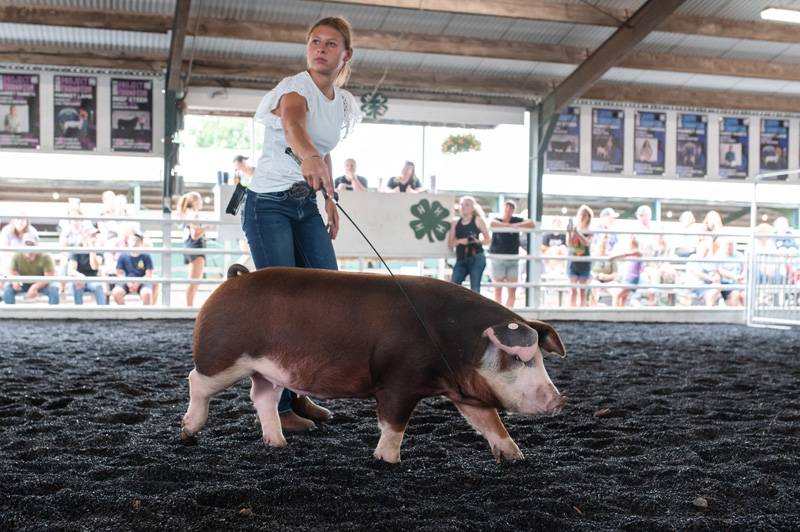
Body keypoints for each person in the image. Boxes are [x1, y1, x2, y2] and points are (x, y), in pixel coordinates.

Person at [242, 16, 361, 432]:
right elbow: (293, 125)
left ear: (345, 54)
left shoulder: (341, 102)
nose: (320, 48)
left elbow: (322, 150)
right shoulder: (295, 89)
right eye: (314, 41)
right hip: (268, 205)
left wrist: (330, 198)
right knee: (285, 305)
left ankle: (300, 392)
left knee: (328, 289)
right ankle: (279, 407)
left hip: (305, 205)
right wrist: (308, 156)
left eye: (331, 44)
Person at [489, 200, 534, 308]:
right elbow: (491, 223)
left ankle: (509, 311)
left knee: (512, 288)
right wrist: (509, 226)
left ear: (513, 210)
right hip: (498, 258)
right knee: (498, 289)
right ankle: (498, 311)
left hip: (513, 258)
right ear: (503, 209)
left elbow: (531, 224)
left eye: (511, 208)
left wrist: (514, 226)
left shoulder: (516, 220)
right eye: (506, 207)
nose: (508, 210)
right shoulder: (497, 220)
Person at [448, 196, 490, 293]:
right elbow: (450, 243)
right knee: (453, 285)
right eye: (462, 205)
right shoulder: (455, 223)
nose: (463, 207)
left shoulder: (478, 220)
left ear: (472, 208)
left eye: (467, 205)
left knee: (475, 288)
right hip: (461, 258)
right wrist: (460, 241)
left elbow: (488, 239)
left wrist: (477, 241)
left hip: (476, 256)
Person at [3, 233, 59, 305]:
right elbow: (12, 272)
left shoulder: (45, 256)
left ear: (36, 245)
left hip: (41, 283)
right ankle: (9, 314)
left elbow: (49, 277)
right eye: (26, 244)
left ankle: (54, 314)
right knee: (8, 288)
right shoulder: (17, 255)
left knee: (54, 289)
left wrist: (35, 287)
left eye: (31, 244)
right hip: (23, 283)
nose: (29, 247)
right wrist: (15, 282)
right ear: (22, 245)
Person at [178, 192, 206, 307]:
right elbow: (195, 235)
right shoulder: (193, 214)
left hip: (190, 247)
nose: (202, 202)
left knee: (194, 280)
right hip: (195, 248)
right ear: (195, 202)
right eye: (200, 199)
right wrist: (208, 227)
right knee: (194, 281)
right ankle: (189, 307)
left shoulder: (187, 214)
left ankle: (189, 305)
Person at [111, 232, 154, 305]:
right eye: (132, 240)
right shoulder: (123, 256)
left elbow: (149, 274)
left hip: (142, 282)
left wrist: (138, 283)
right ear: (128, 241)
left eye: (137, 240)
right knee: (116, 292)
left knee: (147, 293)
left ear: (141, 242)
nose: (135, 242)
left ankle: (145, 315)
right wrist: (128, 283)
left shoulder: (146, 256)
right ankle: (126, 314)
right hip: (126, 281)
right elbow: (119, 273)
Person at [68, 228, 107, 305]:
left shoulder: (98, 251)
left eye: (95, 235)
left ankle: (103, 312)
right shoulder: (77, 250)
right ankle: (79, 314)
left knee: (98, 286)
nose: (95, 237)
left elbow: (94, 267)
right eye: (92, 235)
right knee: (77, 285)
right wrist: (80, 276)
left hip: (93, 280)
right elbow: (71, 270)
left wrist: (92, 249)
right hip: (79, 279)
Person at [566, 205, 593, 307]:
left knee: (582, 291)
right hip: (573, 263)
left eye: (585, 215)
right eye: (581, 214)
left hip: (584, 264)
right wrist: (569, 233)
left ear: (588, 217)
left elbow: (587, 243)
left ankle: (581, 311)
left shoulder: (589, 231)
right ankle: (571, 310)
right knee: (573, 290)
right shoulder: (574, 229)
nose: (582, 217)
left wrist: (577, 233)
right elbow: (569, 244)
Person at [716, 237, 745, 306]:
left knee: (745, 295)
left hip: (739, 283)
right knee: (735, 294)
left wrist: (742, 277)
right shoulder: (719, 255)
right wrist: (735, 277)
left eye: (731, 244)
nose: (729, 247)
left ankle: (747, 315)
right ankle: (735, 315)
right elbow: (720, 270)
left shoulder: (739, 255)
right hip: (726, 283)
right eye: (727, 244)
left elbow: (745, 268)